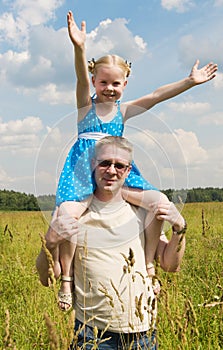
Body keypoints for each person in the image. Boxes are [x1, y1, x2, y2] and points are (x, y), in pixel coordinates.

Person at [55, 9, 217, 310]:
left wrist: (189, 82)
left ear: (125, 84)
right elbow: (78, 78)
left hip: (117, 171)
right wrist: (80, 49)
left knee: (158, 201)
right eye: (103, 83)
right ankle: (67, 278)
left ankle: (147, 267)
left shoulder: (123, 110)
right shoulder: (84, 108)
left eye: (116, 84)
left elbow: (156, 95)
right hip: (83, 172)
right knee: (67, 214)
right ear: (94, 82)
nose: (109, 89)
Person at [36, 136, 187, 350]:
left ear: (128, 171)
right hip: (92, 335)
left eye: (119, 165)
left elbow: (171, 265)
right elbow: (47, 278)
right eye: (105, 163)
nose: (111, 170)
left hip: (142, 334)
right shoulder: (75, 213)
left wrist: (180, 228)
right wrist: (49, 244)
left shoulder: (144, 211)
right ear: (93, 165)